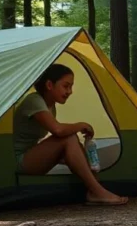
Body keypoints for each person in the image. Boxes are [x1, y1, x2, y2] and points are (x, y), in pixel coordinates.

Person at [14, 64, 128, 205]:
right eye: (66, 86)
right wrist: (81, 125)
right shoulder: (34, 101)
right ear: (49, 84)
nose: (70, 91)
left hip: (30, 157)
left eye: (71, 87)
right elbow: (58, 130)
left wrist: (78, 157)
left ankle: (95, 189)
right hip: (17, 161)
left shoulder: (49, 105)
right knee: (68, 137)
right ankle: (97, 191)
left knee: (71, 143)